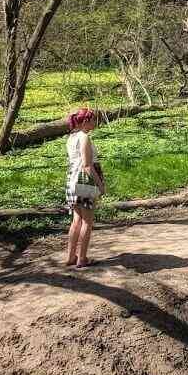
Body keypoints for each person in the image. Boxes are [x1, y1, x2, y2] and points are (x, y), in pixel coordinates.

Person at [65, 108, 105, 268]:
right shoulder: (84, 137)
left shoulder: (71, 137)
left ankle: (71, 257)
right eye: (93, 120)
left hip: (72, 180)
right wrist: (100, 185)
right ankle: (82, 258)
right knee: (87, 222)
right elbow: (87, 165)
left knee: (76, 221)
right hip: (85, 181)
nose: (95, 122)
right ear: (85, 122)